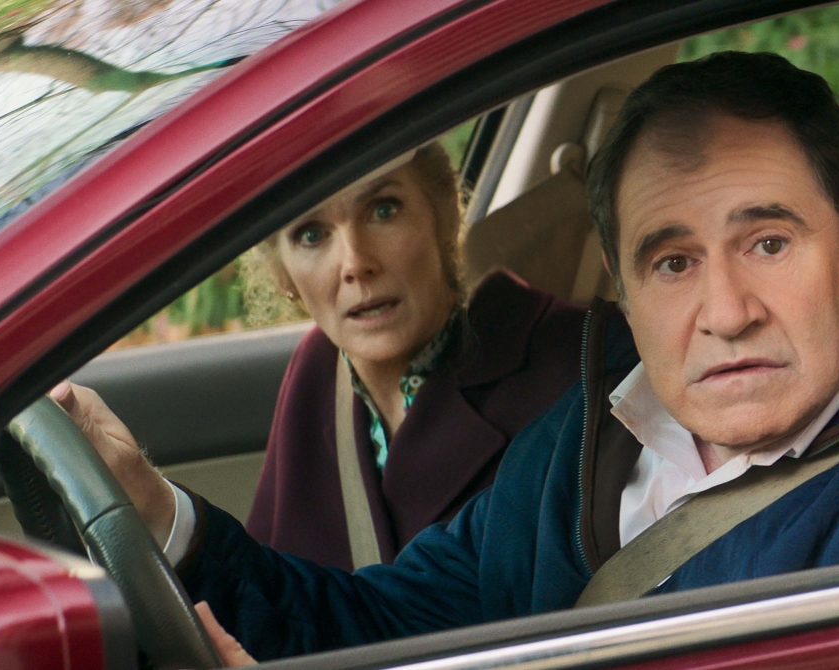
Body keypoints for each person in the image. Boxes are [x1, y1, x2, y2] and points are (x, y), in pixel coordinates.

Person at [53, 51, 839, 662]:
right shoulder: (596, 428)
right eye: (672, 262)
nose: (725, 313)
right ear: (624, 283)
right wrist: (162, 519)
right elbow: (397, 624)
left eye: (768, 243)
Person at [237, 143, 584, 570]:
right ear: (284, 275)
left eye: (383, 210)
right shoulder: (316, 368)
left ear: (444, 215)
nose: (355, 263)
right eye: (311, 234)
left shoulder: (572, 361)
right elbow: (265, 583)